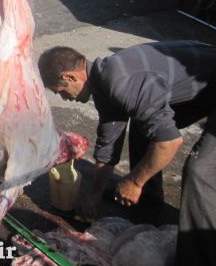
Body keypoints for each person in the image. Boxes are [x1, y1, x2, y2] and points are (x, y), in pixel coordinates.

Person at [38, 41, 216, 265]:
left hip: (207, 81)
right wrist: (94, 195)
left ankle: (200, 258)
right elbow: (108, 145)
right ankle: (148, 208)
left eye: (61, 92)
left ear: (71, 77)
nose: (65, 99)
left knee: (201, 171)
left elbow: (169, 143)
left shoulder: (120, 83)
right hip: (202, 86)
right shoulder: (104, 84)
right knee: (144, 128)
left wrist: (135, 181)